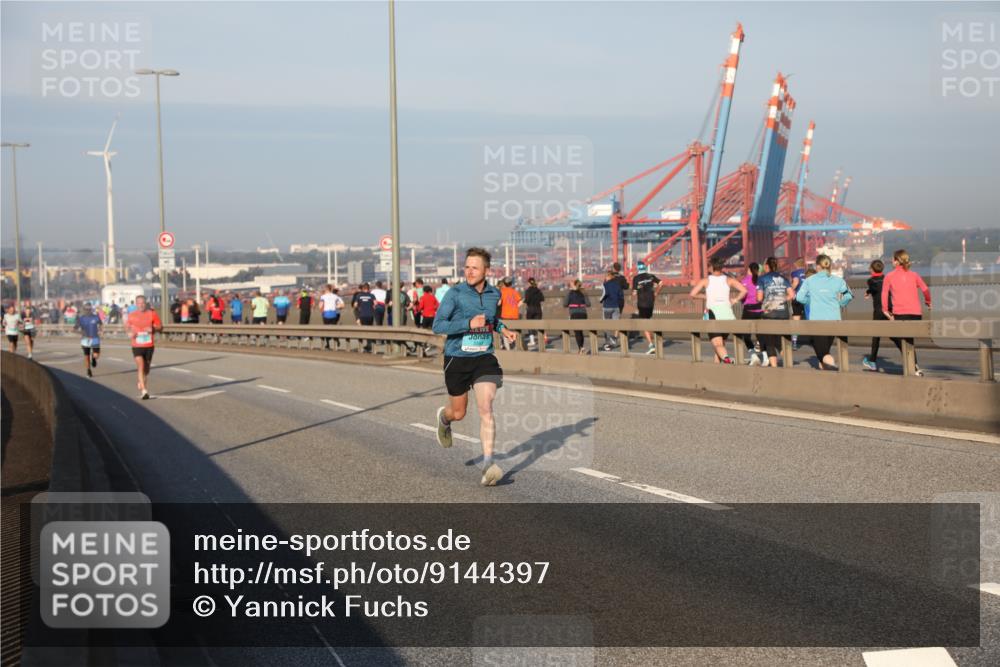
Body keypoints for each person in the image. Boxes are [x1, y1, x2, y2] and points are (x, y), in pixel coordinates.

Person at [432, 247, 518, 487]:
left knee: (486, 407)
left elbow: (491, 320)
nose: (469, 271)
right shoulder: (455, 293)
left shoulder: (494, 293)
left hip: (483, 356)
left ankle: (488, 464)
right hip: (457, 358)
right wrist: (468, 323)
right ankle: (445, 419)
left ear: (486, 270)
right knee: (459, 412)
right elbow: (438, 325)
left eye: (475, 267)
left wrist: (504, 330)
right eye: (467, 267)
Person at [796, 254, 853, 370]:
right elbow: (849, 295)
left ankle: (834, 370)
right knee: (824, 352)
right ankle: (827, 379)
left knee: (822, 353)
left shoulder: (809, 281)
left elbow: (799, 298)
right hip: (834, 321)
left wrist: (810, 301)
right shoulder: (838, 280)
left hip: (817, 322)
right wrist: (840, 303)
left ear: (817, 267)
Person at [881, 249, 931, 377]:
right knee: (908, 340)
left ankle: (913, 365)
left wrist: (885, 310)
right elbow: (925, 289)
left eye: (893, 259)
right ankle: (913, 366)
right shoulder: (914, 275)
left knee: (895, 335)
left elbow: (884, 294)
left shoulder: (889, 276)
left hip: (900, 314)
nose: (891, 261)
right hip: (916, 314)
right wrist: (928, 301)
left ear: (897, 261)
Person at [688, 257, 746, 364]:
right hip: (728, 316)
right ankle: (717, 371)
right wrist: (735, 300)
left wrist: (706, 297)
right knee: (720, 344)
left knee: (717, 344)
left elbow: (692, 294)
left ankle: (728, 360)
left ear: (711, 267)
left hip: (712, 315)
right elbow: (744, 290)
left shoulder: (706, 280)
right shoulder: (729, 280)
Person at [757, 256, 795, 368]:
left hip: (769, 313)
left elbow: (759, 298)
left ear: (767, 266)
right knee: (781, 342)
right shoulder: (784, 278)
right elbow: (792, 295)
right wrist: (781, 299)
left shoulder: (762, 279)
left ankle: (774, 368)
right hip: (783, 313)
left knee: (770, 342)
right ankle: (789, 365)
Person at [126, 295, 163, 400]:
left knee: (146, 369)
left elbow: (160, 326)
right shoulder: (132, 315)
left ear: (145, 303)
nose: (141, 305)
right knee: (140, 366)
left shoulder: (152, 313)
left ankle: (140, 381)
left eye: (143, 303)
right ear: (136, 304)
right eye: (139, 303)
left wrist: (153, 329)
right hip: (136, 344)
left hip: (149, 345)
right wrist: (129, 333)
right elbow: (127, 328)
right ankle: (144, 391)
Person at [632, 261, 664, 354]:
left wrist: (636, 291)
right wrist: (656, 292)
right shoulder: (651, 276)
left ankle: (651, 345)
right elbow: (661, 283)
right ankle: (654, 340)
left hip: (642, 303)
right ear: (645, 268)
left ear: (638, 268)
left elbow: (634, 293)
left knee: (644, 323)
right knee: (648, 320)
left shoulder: (636, 278)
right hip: (651, 302)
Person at [862, 259, 887, 372]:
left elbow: (874, 288)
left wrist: (868, 292)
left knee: (876, 337)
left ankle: (872, 362)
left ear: (872, 270)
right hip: (890, 310)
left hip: (879, 311)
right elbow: (881, 288)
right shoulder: (887, 278)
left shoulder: (871, 280)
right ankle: (911, 360)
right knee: (897, 336)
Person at [739, 263, 764, 366]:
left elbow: (743, 295)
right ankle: (766, 358)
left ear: (748, 269)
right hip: (759, 309)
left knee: (746, 335)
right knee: (761, 335)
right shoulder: (761, 280)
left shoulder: (744, 280)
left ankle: (753, 356)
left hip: (748, 310)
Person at [75, 303, 103, 377]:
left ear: (91, 309)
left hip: (95, 338)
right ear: (84, 310)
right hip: (85, 339)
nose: (88, 311)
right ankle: (88, 370)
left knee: (96, 354)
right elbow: (75, 328)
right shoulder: (81, 318)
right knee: (86, 356)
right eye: (86, 309)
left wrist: (100, 330)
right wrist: (80, 332)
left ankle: (94, 359)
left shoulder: (96, 317)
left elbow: (100, 324)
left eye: (89, 309)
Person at [564, 279, 591, 354]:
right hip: (583, 314)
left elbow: (565, 304)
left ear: (574, 285)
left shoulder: (570, 293)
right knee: (580, 331)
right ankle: (581, 347)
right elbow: (588, 304)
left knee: (577, 332)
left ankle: (581, 348)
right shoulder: (584, 292)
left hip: (574, 313)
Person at [600, 270, 624, 351]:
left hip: (607, 306)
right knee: (616, 323)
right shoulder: (617, 285)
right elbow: (621, 296)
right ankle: (615, 339)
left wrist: (600, 300)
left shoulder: (605, 284)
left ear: (608, 276)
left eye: (605, 276)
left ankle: (608, 341)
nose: (605, 278)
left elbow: (604, 294)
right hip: (616, 306)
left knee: (605, 324)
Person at [498, 277, 522, 350]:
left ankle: (508, 348)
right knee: (514, 331)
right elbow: (520, 302)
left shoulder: (502, 291)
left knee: (506, 331)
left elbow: (499, 303)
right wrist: (515, 307)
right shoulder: (514, 291)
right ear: (511, 284)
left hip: (506, 314)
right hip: (515, 314)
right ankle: (515, 346)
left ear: (504, 284)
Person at [789, 257, 807, 350]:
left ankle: (794, 342)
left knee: (796, 320)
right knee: (811, 318)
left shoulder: (794, 273)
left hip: (797, 299)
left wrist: (789, 289)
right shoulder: (808, 272)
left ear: (796, 265)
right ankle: (815, 339)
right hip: (807, 298)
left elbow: (796, 282)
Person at [522, 277, 545, 349]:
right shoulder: (538, 290)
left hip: (530, 309)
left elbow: (527, 300)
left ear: (529, 283)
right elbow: (542, 299)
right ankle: (542, 339)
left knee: (530, 325)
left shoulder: (528, 291)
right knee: (539, 325)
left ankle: (532, 341)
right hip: (538, 309)